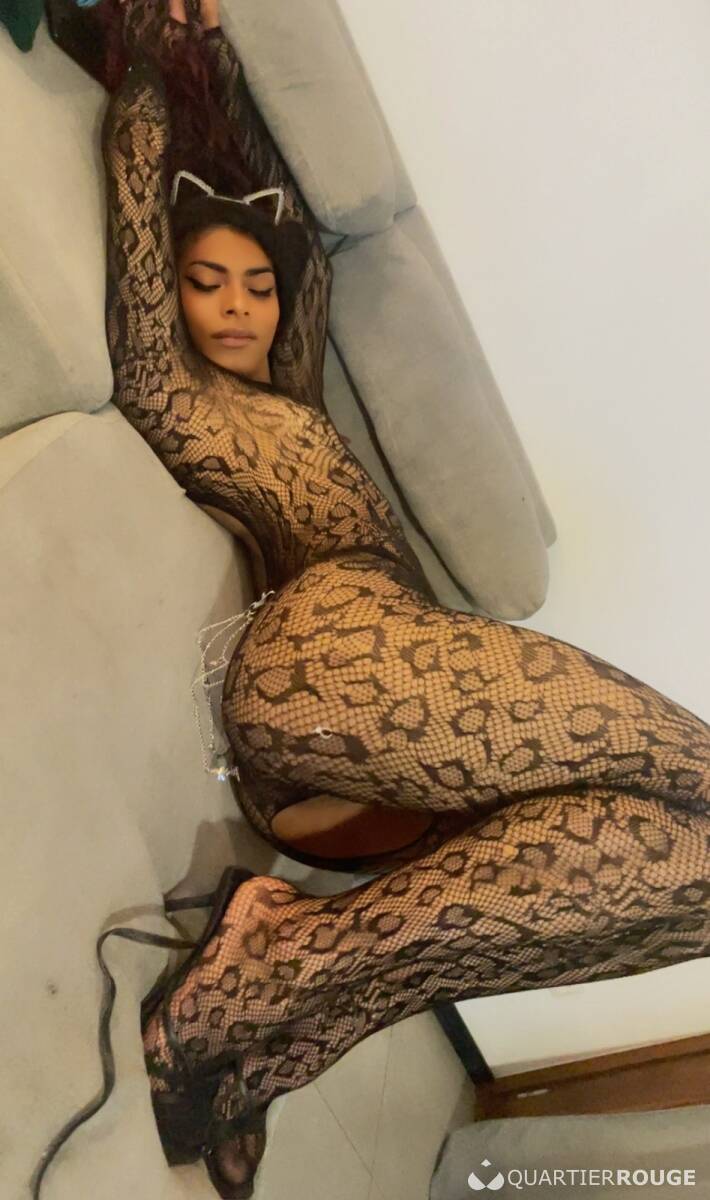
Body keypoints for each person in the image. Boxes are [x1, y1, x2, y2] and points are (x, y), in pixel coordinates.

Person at [33, 3, 710, 1198]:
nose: (236, 304)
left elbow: (285, 216)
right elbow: (142, 294)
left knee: (693, 880)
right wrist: (144, 66)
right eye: (204, 283)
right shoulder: (184, 403)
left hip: (388, 691)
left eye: (255, 285)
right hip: (321, 654)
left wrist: (213, 60)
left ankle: (277, 1041)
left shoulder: (289, 383)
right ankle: (264, 976)